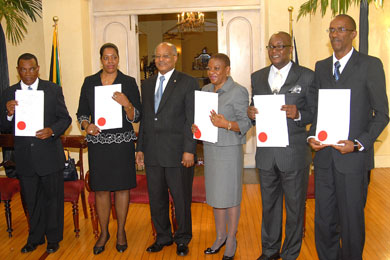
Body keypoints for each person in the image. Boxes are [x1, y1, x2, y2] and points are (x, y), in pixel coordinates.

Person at [308, 14, 389, 260]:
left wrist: (358, 144)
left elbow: (382, 114)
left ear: (353, 34)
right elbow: (316, 109)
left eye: (341, 29)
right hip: (324, 159)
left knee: (352, 222)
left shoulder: (370, 65)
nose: (335, 34)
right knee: (324, 220)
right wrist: (312, 136)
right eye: (331, 29)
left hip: (353, 160)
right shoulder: (321, 66)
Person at [247, 32, 316, 260]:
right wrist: (251, 114)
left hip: (293, 155)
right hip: (267, 155)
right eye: (271, 47)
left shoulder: (306, 76)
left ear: (289, 50)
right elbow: (254, 108)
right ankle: (269, 251)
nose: (274, 51)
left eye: (280, 46)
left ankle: (290, 254)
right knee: (269, 207)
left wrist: (299, 114)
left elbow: (315, 114)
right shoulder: (257, 77)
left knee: (295, 209)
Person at [0, 53, 71, 254]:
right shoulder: (9, 93)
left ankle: (54, 238)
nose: (28, 73)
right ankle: (35, 238)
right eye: (23, 69)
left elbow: (64, 119)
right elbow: (3, 125)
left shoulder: (52, 89)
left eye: (32, 69)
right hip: (24, 157)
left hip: (49, 154)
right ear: (18, 70)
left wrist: (52, 130)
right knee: (31, 200)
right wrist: (8, 113)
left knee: (53, 199)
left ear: (38, 68)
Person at [76, 43, 141, 255]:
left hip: (122, 144)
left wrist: (127, 104)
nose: (110, 61)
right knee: (101, 189)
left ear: (118, 59)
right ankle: (104, 233)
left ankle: (121, 231)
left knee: (122, 188)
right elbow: (82, 114)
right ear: (101, 59)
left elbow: (137, 116)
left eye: (114, 57)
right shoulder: (90, 82)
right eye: (106, 57)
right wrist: (87, 126)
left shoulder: (128, 82)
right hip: (98, 145)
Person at [135, 42, 199, 256]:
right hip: (152, 152)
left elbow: (192, 117)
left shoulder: (188, 82)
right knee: (156, 198)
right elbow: (145, 119)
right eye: (158, 56)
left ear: (174, 58)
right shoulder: (147, 83)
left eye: (165, 56)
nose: (161, 60)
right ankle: (162, 237)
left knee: (181, 199)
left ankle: (182, 238)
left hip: (178, 152)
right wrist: (140, 148)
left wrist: (190, 149)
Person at [192, 53, 251, 260]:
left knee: (231, 195)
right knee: (216, 195)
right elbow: (203, 120)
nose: (212, 73)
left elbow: (246, 123)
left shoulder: (238, 91)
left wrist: (226, 124)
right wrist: (196, 127)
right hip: (211, 148)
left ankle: (232, 238)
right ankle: (220, 236)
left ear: (227, 70)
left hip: (229, 149)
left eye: (217, 68)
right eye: (209, 69)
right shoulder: (205, 90)